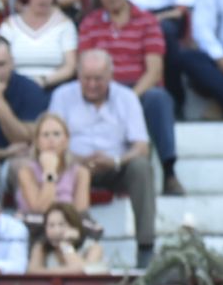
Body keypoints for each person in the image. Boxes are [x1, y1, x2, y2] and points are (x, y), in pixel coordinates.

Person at [77, 0, 178, 193]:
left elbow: (154, 71)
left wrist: (127, 99)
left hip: (138, 89)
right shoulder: (89, 24)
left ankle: (169, 172)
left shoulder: (147, 21)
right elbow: (84, 67)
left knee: (159, 98)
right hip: (101, 89)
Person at [48, 50, 155, 263]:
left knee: (141, 167)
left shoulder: (127, 97)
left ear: (111, 76)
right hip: (72, 165)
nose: (92, 84)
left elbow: (142, 146)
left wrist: (115, 161)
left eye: (98, 79)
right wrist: (78, 160)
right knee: (52, 164)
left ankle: (145, 246)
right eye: (86, 78)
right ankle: (64, 244)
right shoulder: (62, 96)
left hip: (115, 165)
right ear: (77, 75)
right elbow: (49, 140)